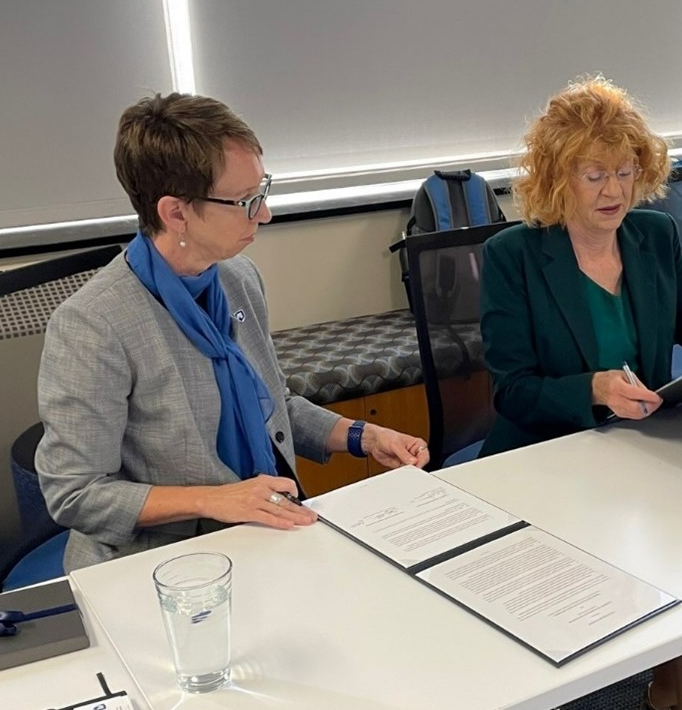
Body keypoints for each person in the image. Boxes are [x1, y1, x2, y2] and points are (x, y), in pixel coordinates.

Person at [479, 77, 682, 710]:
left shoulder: (653, 237)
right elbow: (512, 392)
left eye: (625, 171)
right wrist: (591, 390)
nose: (615, 191)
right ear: (555, 176)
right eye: (594, 174)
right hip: (549, 458)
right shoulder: (511, 256)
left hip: (643, 445)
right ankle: (661, 688)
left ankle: (681, 699)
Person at [36, 93, 429, 572]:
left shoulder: (237, 279)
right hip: (158, 563)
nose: (264, 214)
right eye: (246, 202)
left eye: (261, 191)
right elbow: (75, 493)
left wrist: (362, 437)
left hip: (259, 528)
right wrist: (215, 499)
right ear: (175, 213)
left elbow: (275, 403)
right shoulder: (94, 324)